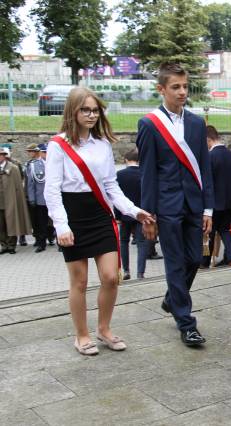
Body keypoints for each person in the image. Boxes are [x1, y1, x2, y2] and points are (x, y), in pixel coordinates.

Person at [44, 87, 154, 355]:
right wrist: (61, 225)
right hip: (72, 215)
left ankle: (104, 329)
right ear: (73, 111)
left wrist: (134, 211)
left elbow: (111, 186)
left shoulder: (103, 144)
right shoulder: (58, 145)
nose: (92, 115)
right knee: (79, 282)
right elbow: (51, 189)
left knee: (110, 277)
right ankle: (81, 335)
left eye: (95, 110)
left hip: (100, 214)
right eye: (85, 110)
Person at [137, 62, 214, 347]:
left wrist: (208, 208)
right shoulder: (149, 124)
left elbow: (204, 168)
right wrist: (148, 215)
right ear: (161, 89)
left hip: (194, 204)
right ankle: (187, 323)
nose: (182, 92)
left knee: (194, 259)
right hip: (166, 206)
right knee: (174, 263)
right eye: (176, 87)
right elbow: (147, 173)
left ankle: (172, 299)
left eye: (185, 86)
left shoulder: (196, 123)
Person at [202, 124, 231, 268]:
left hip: (214, 202)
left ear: (208, 139)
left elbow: (207, 182)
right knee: (225, 229)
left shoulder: (209, 156)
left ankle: (204, 261)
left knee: (209, 232)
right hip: (230, 200)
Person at [116, 149, 148, 280]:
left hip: (124, 214)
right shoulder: (144, 173)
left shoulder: (119, 174)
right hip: (142, 213)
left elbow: (116, 197)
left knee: (124, 241)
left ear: (126, 160)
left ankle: (126, 270)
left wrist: (117, 216)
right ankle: (140, 272)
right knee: (142, 243)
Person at [0, 147, 31, 254]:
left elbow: (18, 186)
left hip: (11, 201)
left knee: (12, 223)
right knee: (1, 226)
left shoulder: (13, 168)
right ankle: (4, 245)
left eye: (1, 155)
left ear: (4, 156)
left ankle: (11, 245)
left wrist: (17, 201)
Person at [25, 143, 49, 252]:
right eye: (44, 152)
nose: (46, 154)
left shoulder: (53, 163)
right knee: (41, 222)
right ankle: (41, 243)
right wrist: (32, 199)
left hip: (54, 197)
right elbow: (30, 183)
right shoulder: (34, 165)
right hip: (41, 199)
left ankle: (60, 242)